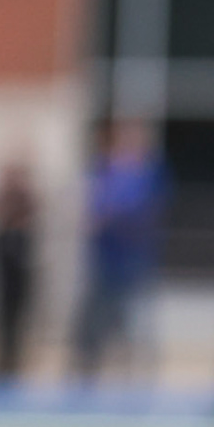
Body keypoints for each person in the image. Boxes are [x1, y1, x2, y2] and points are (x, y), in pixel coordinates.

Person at [73, 119, 167, 383]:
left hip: (134, 260)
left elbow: (139, 210)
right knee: (93, 321)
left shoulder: (149, 173)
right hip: (103, 259)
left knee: (136, 321)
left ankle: (137, 377)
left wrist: (108, 215)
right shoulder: (103, 170)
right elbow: (90, 207)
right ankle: (86, 375)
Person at [0, 158, 37, 386]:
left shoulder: (24, 198)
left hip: (17, 270)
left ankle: (14, 361)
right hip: (1, 270)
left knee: (17, 315)